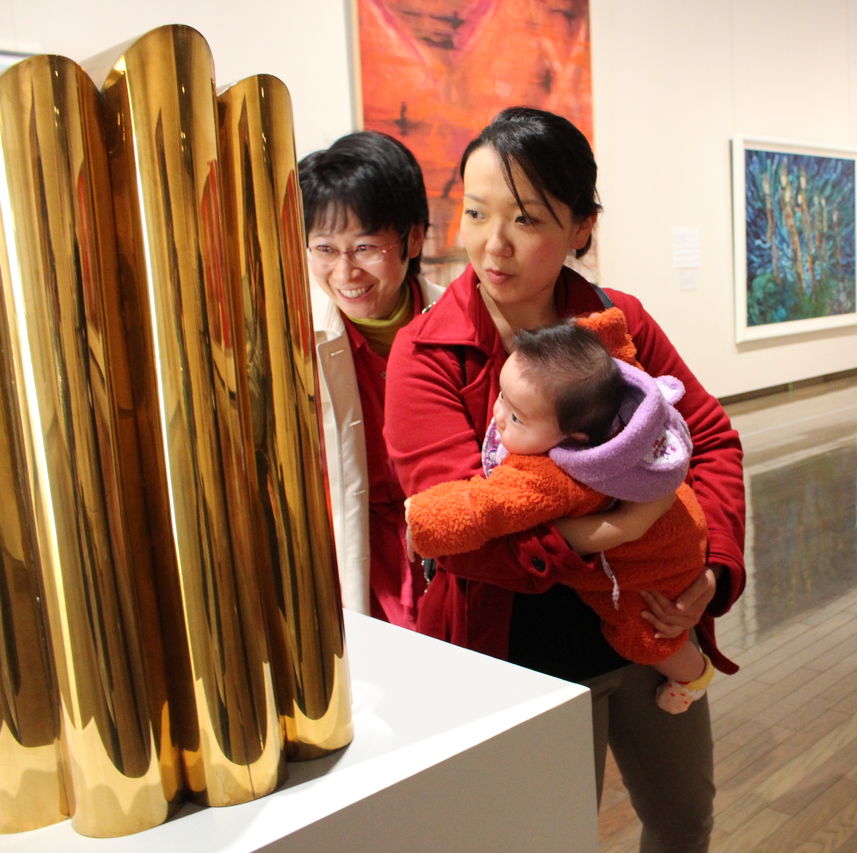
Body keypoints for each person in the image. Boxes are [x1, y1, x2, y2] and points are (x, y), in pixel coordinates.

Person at [384, 106, 746, 851]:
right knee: (543, 836)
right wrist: (615, 529)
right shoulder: (427, 353)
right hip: (514, 653)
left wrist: (709, 567)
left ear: (583, 226)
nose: (493, 243)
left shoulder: (618, 321)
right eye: (475, 212)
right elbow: (455, 526)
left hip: (652, 624)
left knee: (684, 820)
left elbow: (710, 437)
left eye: (527, 218)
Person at [405, 313, 716, 714]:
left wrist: (422, 517)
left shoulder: (549, 475)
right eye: (502, 397)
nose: (498, 416)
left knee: (643, 635)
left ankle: (693, 677)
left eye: (517, 417)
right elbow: (617, 347)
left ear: (574, 437)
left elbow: (484, 507)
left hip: (655, 569)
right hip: (683, 528)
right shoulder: (610, 400)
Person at [299, 131, 444, 628]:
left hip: (451, 558)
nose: (345, 273)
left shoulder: (460, 322)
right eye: (325, 248)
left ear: (414, 238)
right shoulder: (293, 341)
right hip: (349, 563)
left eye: (364, 247)